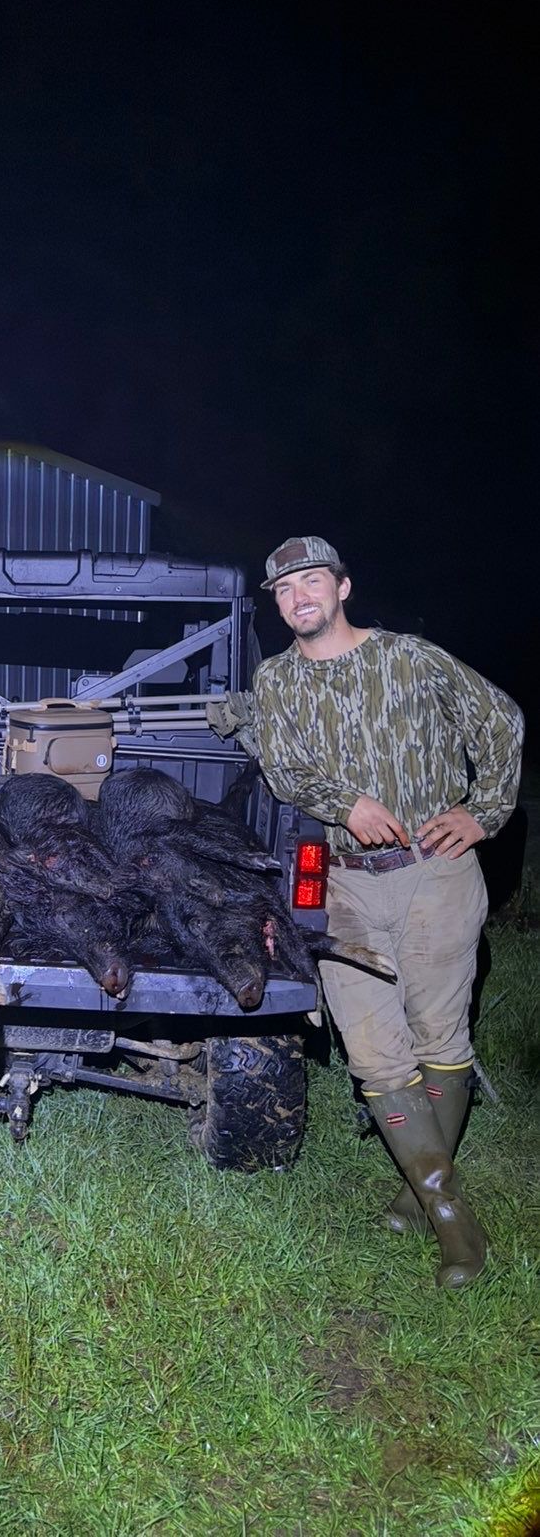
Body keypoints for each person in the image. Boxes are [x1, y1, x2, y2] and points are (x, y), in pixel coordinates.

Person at [249, 535, 523, 1290]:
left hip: (437, 874)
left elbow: (500, 722)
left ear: (342, 588)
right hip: (341, 883)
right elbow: (282, 766)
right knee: (374, 1050)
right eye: (283, 590)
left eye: (310, 582)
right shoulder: (274, 682)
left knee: (441, 1035)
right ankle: (456, 1227)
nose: (298, 597)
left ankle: (415, 1192)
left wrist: (484, 813)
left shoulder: (412, 658)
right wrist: (348, 804)